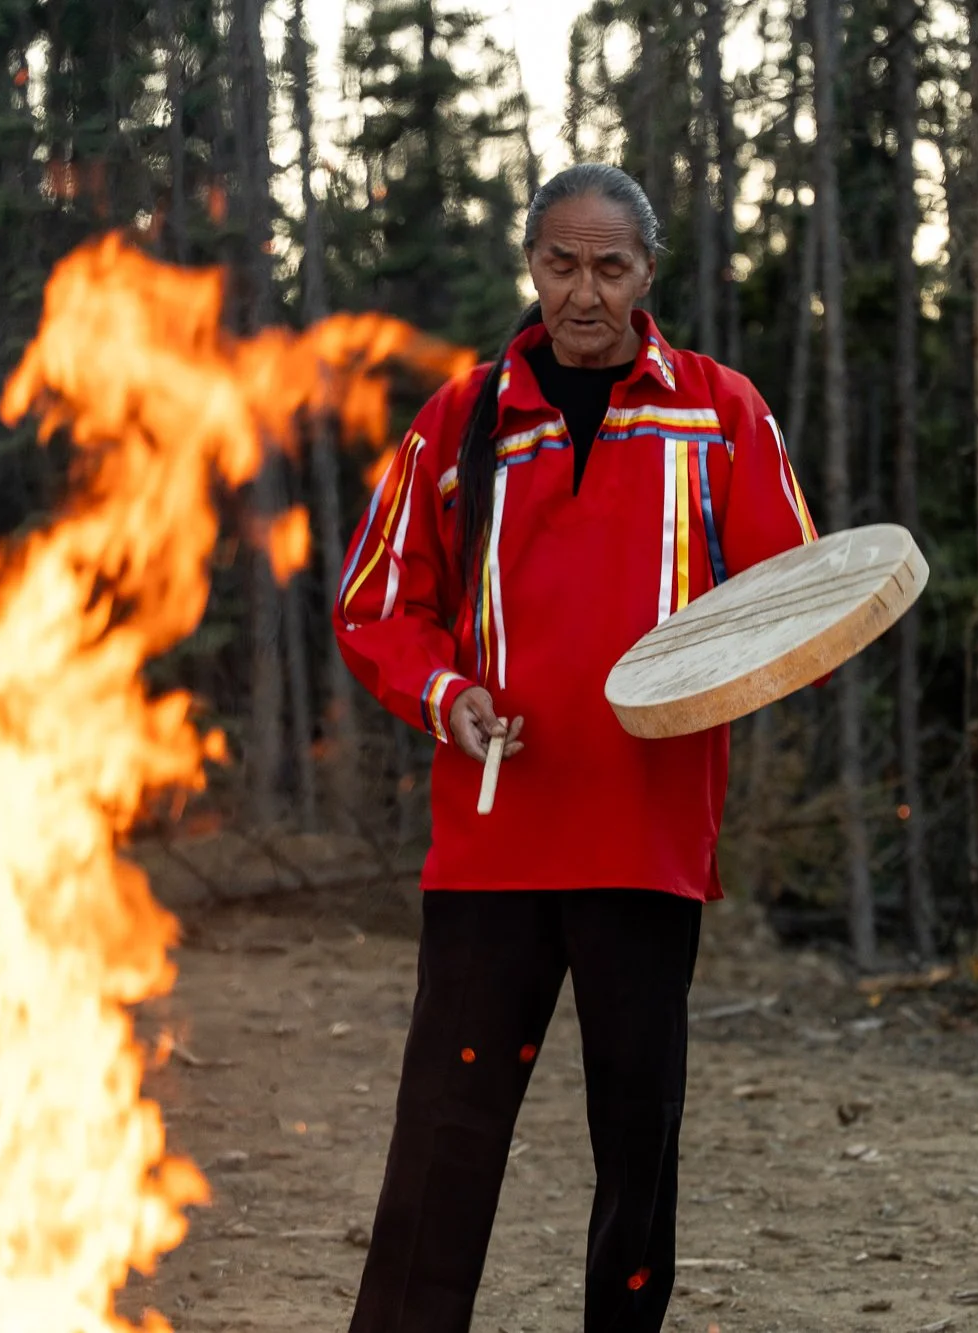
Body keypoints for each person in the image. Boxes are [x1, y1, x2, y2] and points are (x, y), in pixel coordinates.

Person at [332, 163, 819, 1333]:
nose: (583, 291)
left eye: (609, 265)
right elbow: (375, 605)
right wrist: (444, 694)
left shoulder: (719, 411)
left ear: (647, 273)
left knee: (635, 1150)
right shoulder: (459, 420)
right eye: (561, 262)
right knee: (443, 1145)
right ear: (531, 266)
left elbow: (790, 598)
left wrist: (722, 680)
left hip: (645, 847)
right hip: (491, 848)